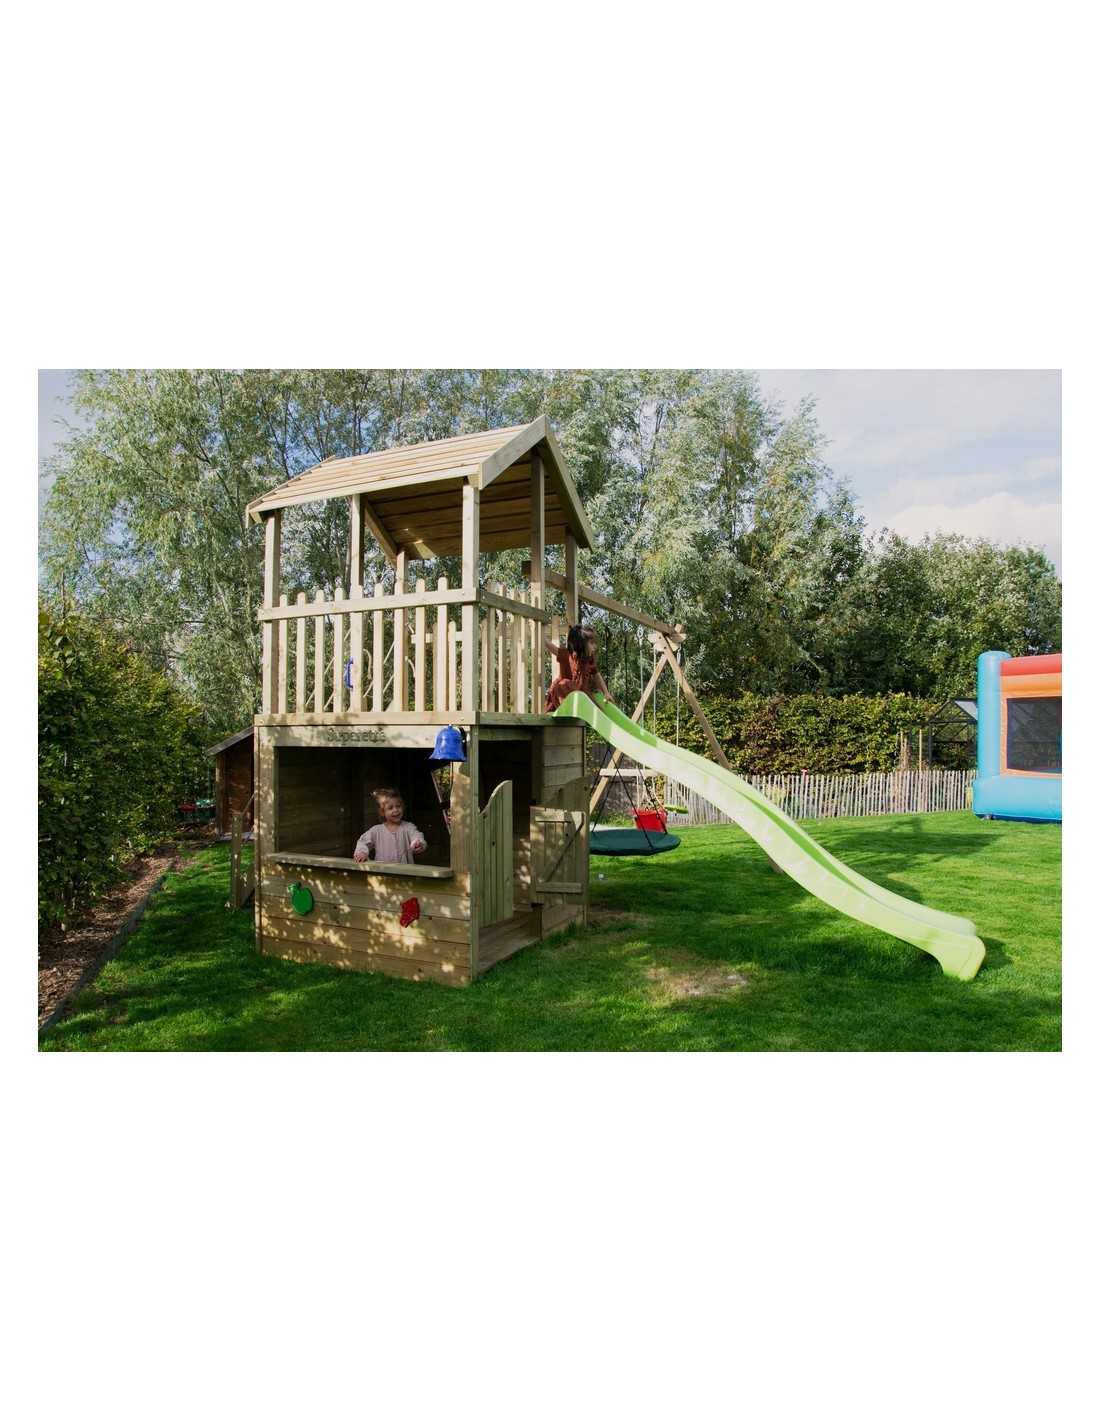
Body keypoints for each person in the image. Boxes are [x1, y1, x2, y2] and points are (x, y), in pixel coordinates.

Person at [544, 624, 613, 712]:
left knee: (596, 710)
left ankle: (583, 710)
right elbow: (549, 645)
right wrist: (538, 631)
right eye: (591, 643)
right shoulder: (566, 655)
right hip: (565, 694)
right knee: (564, 684)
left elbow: (597, 676)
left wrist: (606, 693)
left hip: (583, 696)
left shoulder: (590, 660)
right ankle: (573, 707)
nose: (594, 646)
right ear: (581, 644)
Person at [353, 788, 426, 864]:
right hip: (382, 870)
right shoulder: (376, 830)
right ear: (382, 812)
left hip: (404, 870)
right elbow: (363, 841)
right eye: (390, 808)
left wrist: (417, 843)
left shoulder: (408, 827)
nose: (395, 810)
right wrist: (362, 852)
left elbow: (416, 836)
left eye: (398, 806)